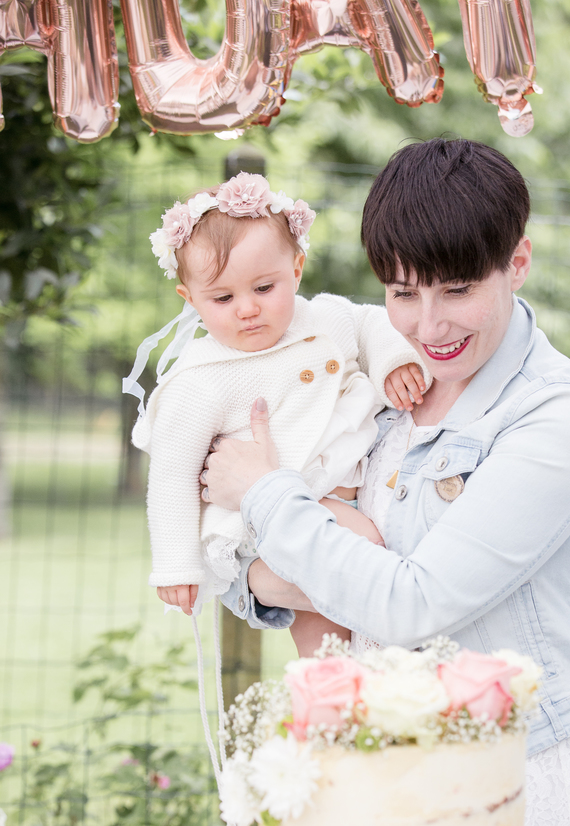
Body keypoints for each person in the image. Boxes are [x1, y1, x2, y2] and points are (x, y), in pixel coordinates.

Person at [202, 139, 570, 826]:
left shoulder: (557, 420)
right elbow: (240, 567)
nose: (427, 325)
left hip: (507, 775)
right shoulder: (372, 378)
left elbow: (412, 605)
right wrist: (299, 553)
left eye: (457, 289)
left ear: (519, 261)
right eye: (401, 292)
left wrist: (269, 495)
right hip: (362, 767)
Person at [123, 172, 426, 656]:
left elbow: (373, 323)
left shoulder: (325, 319)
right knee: (366, 547)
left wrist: (392, 360)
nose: (246, 309)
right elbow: (171, 475)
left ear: (297, 269)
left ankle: (328, 705)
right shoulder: (202, 378)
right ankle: (342, 691)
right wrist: (177, 565)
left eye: (264, 288)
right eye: (222, 299)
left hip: (337, 498)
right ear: (190, 299)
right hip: (267, 520)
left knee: (325, 630)